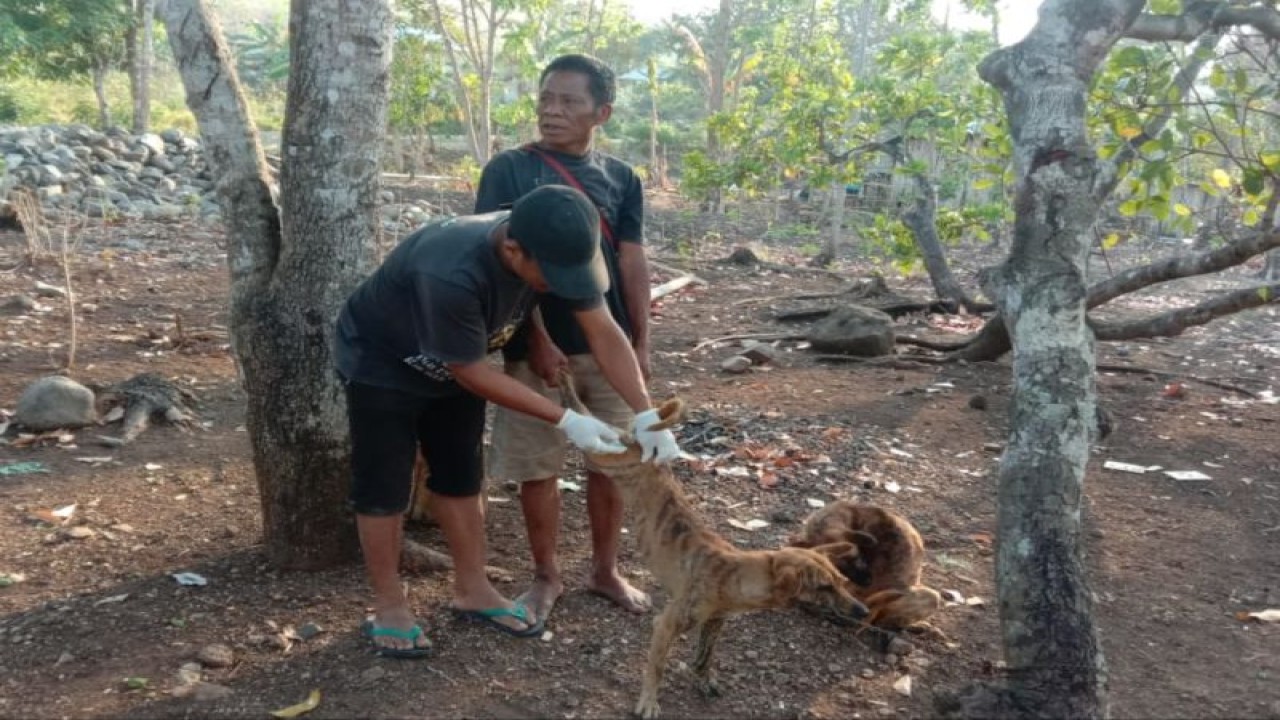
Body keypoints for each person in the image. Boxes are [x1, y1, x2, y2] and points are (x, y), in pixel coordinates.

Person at [334, 185, 679, 657]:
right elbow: (470, 371)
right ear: (513, 249)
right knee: (384, 486)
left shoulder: (564, 240)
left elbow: (602, 328)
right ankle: (390, 604)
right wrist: (567, 420)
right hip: (385, 364)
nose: (561, 286)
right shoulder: (450, 270)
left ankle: (473, 589)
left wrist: (646, 413)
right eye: (551, 276)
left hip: (456, 362)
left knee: (460, 476)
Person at [474, 53, 653, 625]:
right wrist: (534, 338)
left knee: (613, 461)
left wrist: (641, 341)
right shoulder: (508, 170)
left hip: (607, 341)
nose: (552, 111)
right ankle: (546, 575)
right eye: (546, 98)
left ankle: (605, 569)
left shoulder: (623, 179)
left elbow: (632, 260)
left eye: (569, 101)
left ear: (601, 112)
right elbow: (500, 262)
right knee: (538, 464)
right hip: (532, 348)